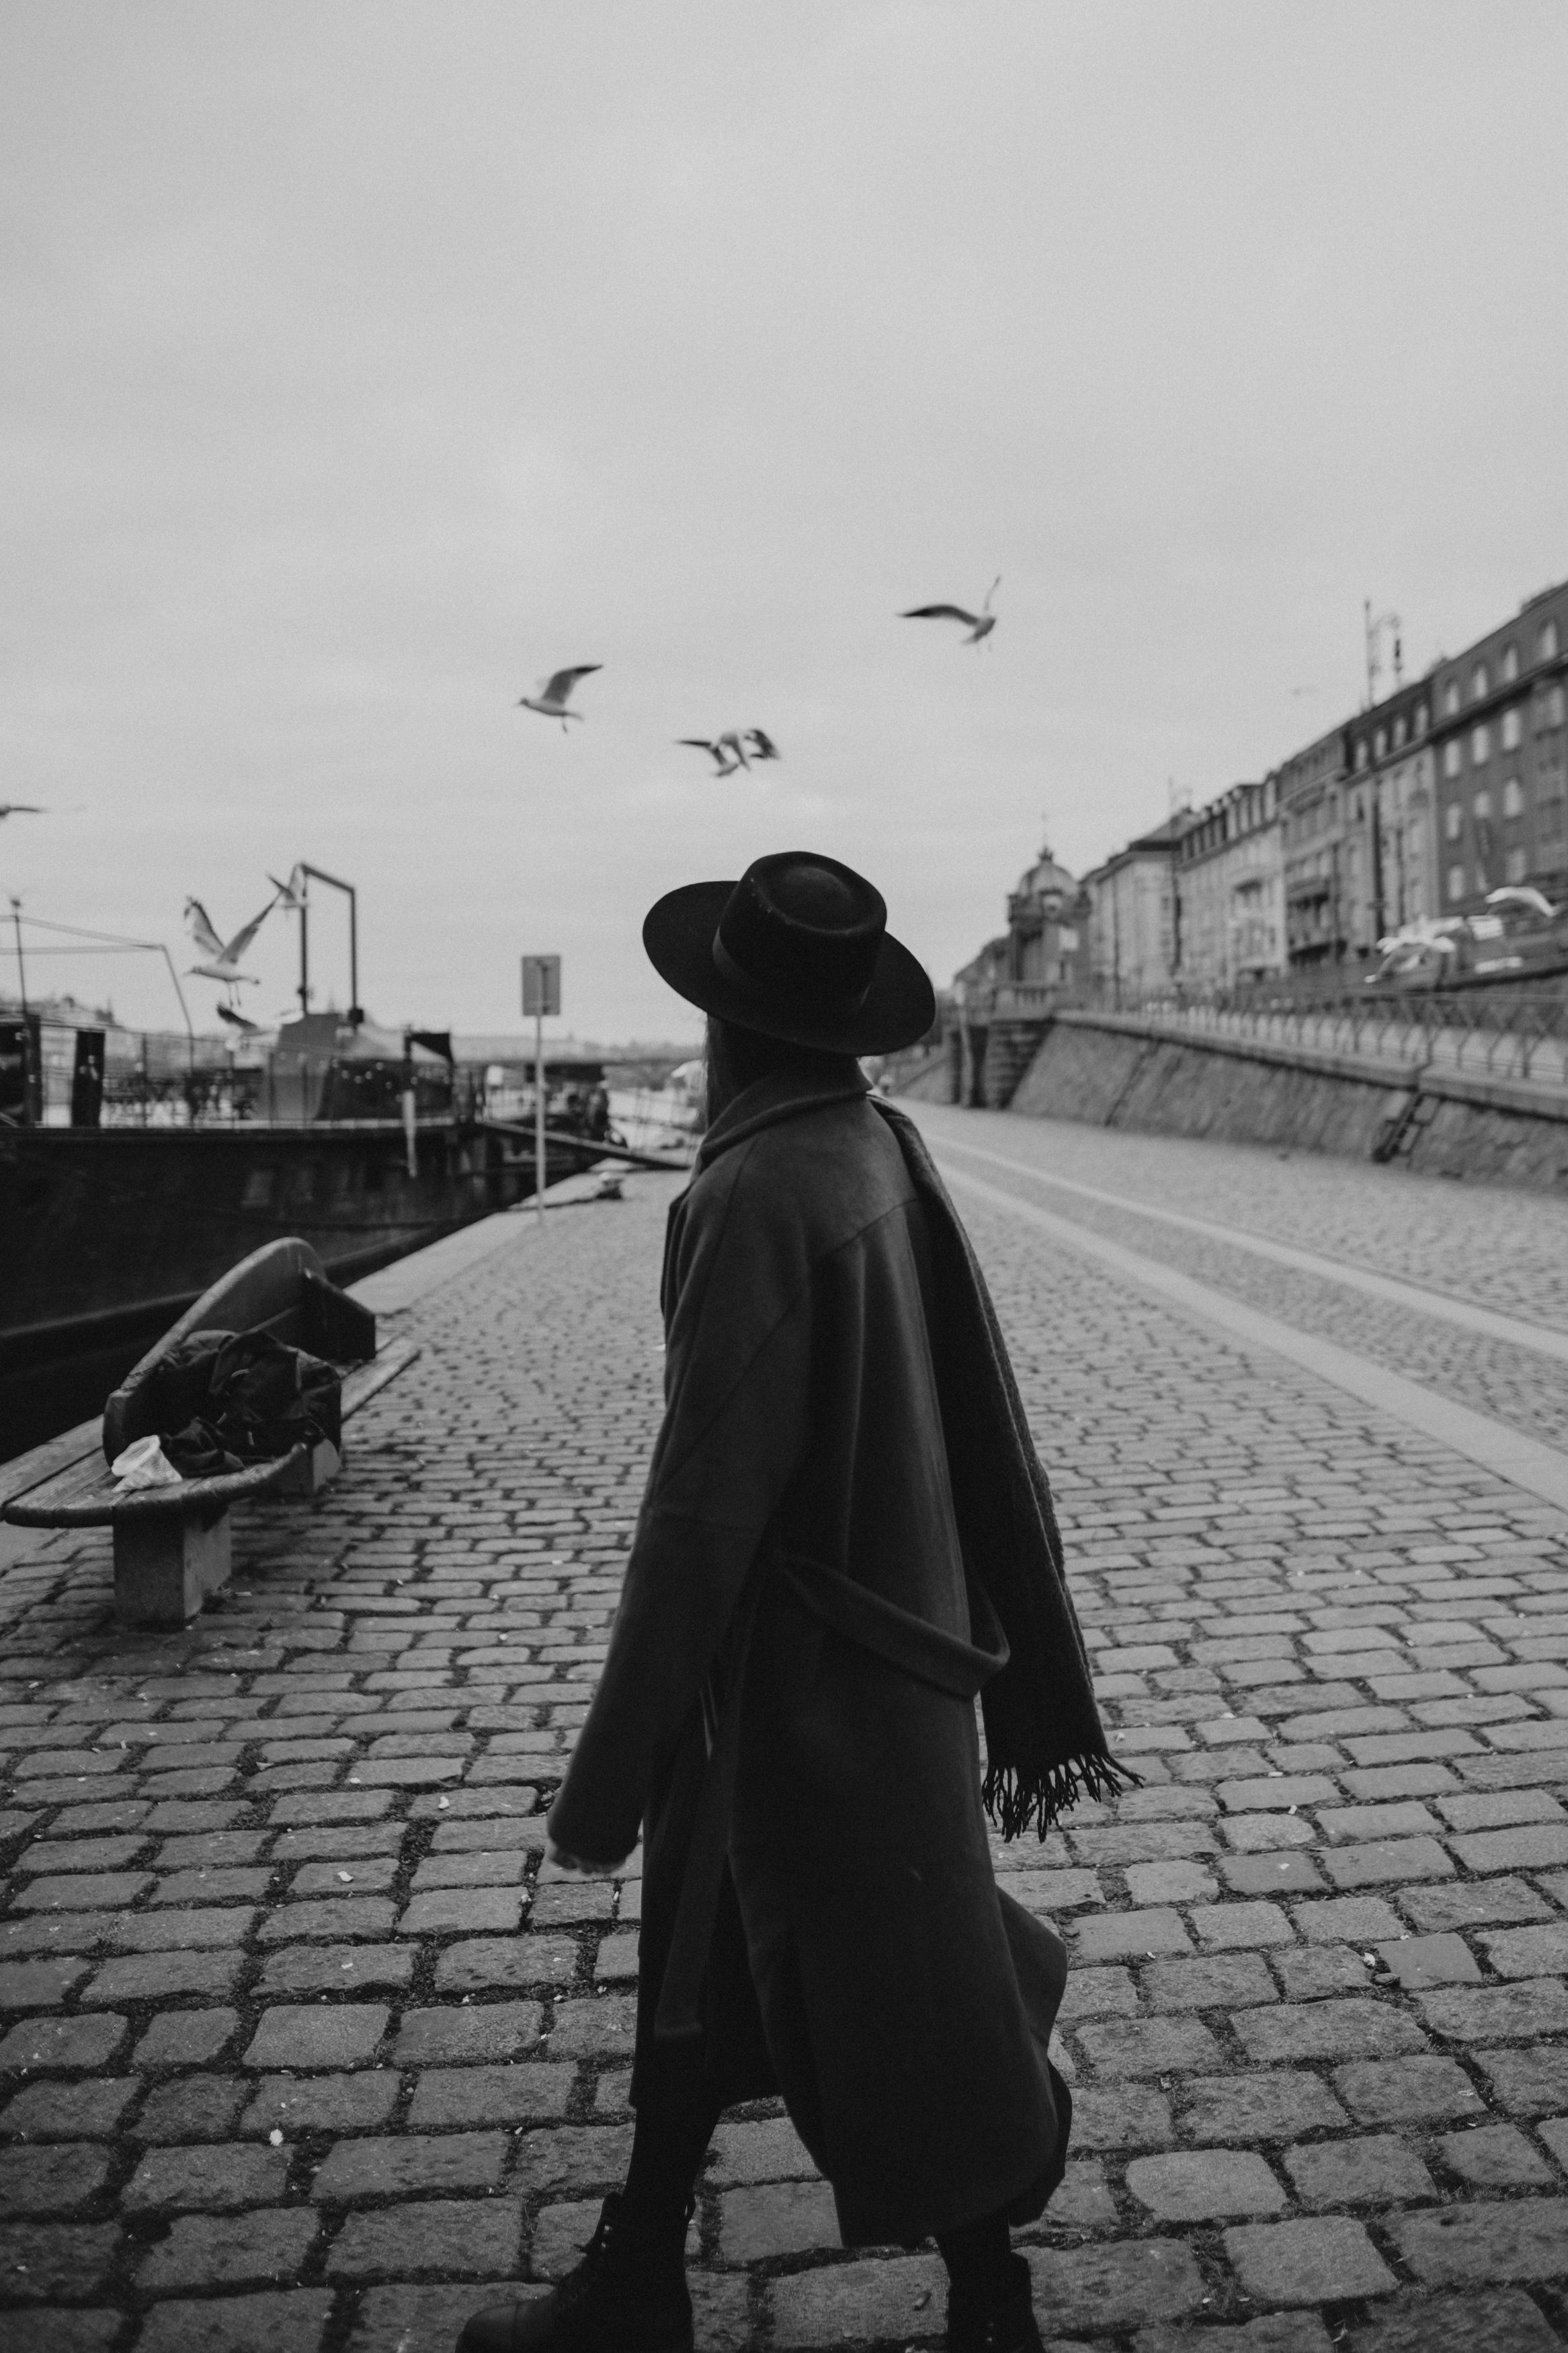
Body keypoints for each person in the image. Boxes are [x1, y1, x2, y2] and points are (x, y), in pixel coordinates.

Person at [456, 852, 1128, 2353]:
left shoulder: (756, 1188)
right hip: (887, 1653)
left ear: (724, 1026)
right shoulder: (872, 1143)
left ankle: (967, 2295)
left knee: (891, 1998)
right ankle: (647, 2274)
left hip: (793, 1691)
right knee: (757, 1981)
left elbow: (697, 1517)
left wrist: (600, 1788)